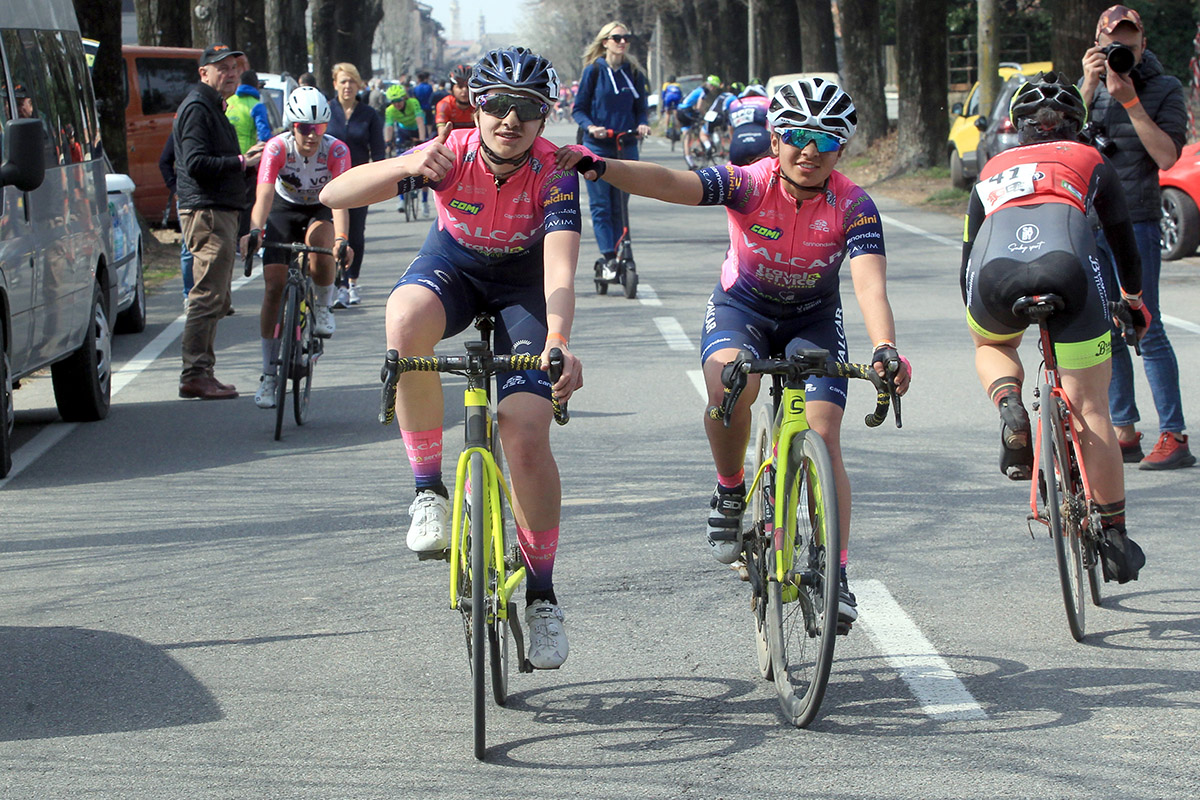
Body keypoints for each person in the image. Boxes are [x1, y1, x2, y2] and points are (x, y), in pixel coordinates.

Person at [557, 78, 910, 624]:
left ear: (842, 149)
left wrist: (886, 347)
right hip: (742, 310)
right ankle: (729, 492)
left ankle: (835, 571)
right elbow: (671, 182)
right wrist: (601, 166)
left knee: (825, 432)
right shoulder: (749, 185)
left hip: (812, 319)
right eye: (796, 134)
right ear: (774, 140)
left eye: (825, 139)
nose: (809, 150)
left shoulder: (855, 206)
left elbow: (870, 286)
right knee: (730, 385)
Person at [321, 47, 583, 670]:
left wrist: (558, 340)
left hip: (525, 287)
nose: (509, 120)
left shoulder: (555, 172)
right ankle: (427, 491)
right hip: (454, 269)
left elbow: (561, 268)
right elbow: (337, 190)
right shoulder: (451, 155)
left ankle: (543, 595)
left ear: (544, 118)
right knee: (405, 321)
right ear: (476, 106)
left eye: (527, 108)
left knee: (523, 431)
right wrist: (410, 162)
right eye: (496, 104)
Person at [962, 73, 1148, 583]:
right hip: (1070, 272)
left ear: (1019, 129)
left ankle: (1009, 403)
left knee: (992, 342)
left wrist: (984, 322)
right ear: (1079, 126)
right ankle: (1112, 535)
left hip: (996, 278)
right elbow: (1123, 245)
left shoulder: (991, 168)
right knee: (1090, 407)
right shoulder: (1092, 160)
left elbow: (969, 255)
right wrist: (1132, 302)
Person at [1081, 4, 1193, 470]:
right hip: (1091, 223)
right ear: (1099, 44)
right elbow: (1058, 142)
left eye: (1129, 43)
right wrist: (1087, 87)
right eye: (1113, 44)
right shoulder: (1086, 87)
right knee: (1108, 326)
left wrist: (1128, 100)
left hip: (1139, 220)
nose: (1122, 51)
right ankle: (1124, 428)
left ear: (1143, 45)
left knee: (1147, 324)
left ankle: (1174, 434)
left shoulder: (1165, 88)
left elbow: (1167, 158)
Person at [242, 86, 353, 408]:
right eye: (305, 128)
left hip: (321, 206)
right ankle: (267, 374)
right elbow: (263, 195)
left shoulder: (336, 151)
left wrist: (341, 240)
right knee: (274, 284)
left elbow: (341, 201)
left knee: (322, 245)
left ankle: (321, 305)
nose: (312, 136)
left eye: (318, 128)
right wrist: (254, 229)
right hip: (283, 207)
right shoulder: (277, 148)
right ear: (293, 126)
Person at [173, 43, 265, 400]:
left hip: (220, 210)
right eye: (221, 67)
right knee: (208, 295)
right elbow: (195, 163)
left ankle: (202, 371)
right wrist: (243, 162)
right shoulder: (198, 107)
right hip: (206, 211)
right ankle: (195, 372)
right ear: (204, 73)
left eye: (234, 67)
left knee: (217, 296)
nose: (230, 73)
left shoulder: (212, 106)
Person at [572, 21, 651, 282]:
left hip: (626, 145)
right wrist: (591, 127)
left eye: (626, 38)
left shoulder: (634, 72)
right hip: (597, 147)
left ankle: (622, 252)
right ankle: (608, 257)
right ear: (605, 41)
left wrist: (643, 124)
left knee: (621, 205)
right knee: (602, 205)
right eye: (616, 37)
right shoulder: (593, 71)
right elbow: (579, 109)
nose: (622, 42)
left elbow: (641, 108)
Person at [327, 62, 386, 308]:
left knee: (356, 234)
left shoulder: (368, 114)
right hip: (329, 183)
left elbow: (379, 151)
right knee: (335, 234)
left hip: (359, 182)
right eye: (343, 81)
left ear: (359, 84)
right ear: (335, 85)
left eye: (352, 81)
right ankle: (337, 283)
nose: (348, 86)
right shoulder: (327, 111)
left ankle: (351, 281)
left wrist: (381, 179)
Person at [226, 69, 273, 243]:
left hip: (228, 160)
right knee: (247, 202)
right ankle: (242, 238)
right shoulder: (256, 105)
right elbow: (265, 135)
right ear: (255, 85)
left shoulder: (229, 102)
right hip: (249, 160)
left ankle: (230, 236)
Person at [157, 134, 194, 305]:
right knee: (188, 248)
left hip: (210, 196)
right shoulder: (178, 134)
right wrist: (175, 188)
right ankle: (189, 295)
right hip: (186, 197)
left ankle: (215, 294)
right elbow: (164, 161)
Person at [384, 83, 428, 215]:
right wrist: (387, 142)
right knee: (398, 164)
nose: (397, 104)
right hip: (403, 132)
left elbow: (420, 121)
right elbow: (389, 126)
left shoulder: (413, 102)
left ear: (404, 98)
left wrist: (422, 140)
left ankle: (424, 202)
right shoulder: (390, 110)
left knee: (425, 168)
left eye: (399, 101)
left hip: (417, 130)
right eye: (393, 101)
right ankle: (402, 199)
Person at [678, 74, 722, 168]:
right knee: (702, 127)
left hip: (681, 110)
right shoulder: (703, 91)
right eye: (714, 87)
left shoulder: (698, 89)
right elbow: (699, 106)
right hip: (686, 111)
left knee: (687, 137)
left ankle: (689, 160)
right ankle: (704, 144)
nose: (713, 90)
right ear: (711, 86)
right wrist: (704, 115)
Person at [726, 83, 772, 166]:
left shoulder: (735, 103)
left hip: (737, 143)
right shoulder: (767, 102)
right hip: (761, 141)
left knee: (736, 174)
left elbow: (730, 128)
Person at [434, 64, 475, 136]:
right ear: (452, 89)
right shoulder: (445, 104)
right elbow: (442, 135)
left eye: (468, 87)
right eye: (460, 87)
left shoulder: (479, 104)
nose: (464, 90)